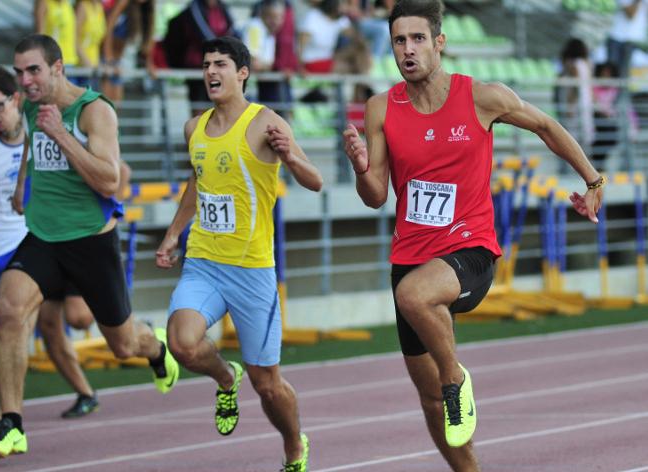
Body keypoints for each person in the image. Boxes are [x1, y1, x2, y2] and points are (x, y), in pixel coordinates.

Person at [342, 1, 604, 470]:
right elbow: (375, 196)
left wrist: (593, 180)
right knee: (428, 402)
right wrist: (361, 168)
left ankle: (454, 378)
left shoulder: (481, 97)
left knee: (416, 299)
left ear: (439, 43)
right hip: (410, 256)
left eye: (418, 39)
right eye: (400, 40)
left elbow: (545, 125)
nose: (408, 49)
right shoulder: (381, 108)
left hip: (470, 249)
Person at [0, 35, 178, 460]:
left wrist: (62, 133)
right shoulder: (31, 107)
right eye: (19, 71)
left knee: (122, 345)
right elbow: (33, 145)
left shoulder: (95, 111)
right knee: (7, 311)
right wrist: (20, 187)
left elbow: (109, 180)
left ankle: (158, 347)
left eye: (33, 70)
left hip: (91, 240)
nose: (25, 80)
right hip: (44, 236)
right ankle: (9, 423)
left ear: (57, 68)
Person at [155, 36, 322, 471]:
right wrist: (174, 233)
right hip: (204, 262)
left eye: (221, 64)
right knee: (182, 344)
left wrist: (289, 155)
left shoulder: (266, 122)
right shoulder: (194, 127)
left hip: (251, 271)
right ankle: (227, 378)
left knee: (268, 385)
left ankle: (293, 444)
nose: (211, 72)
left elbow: (315, 180)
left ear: (242, 73)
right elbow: (199, 182)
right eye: (206, 64)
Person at [0, 65, 101, 422]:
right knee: (14, 332)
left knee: (61, 321)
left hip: (39, 238)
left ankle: (31, 409)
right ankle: (9, 418)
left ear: (15, 98)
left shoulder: (37, 122)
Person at [162, 0, 237, 116]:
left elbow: (231, 31)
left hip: (220, 69)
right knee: (200, 110)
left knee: (218, 109)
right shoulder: (194, 8)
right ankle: (199, 133)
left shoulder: (223, 8)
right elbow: (203, 34)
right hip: (198, 69)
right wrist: (222, 50)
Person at [102, 0, 156, 106]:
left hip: (121, 62)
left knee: (115, 105)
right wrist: (108, 57)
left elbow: (147, 42)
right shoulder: (123, 3)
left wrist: (149, 63)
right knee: (106, 105)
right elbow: (108, 28)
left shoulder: (148, 10)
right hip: (111, 61)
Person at [605, 0, 647, 79]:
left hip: (635, 40)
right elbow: (631, 15)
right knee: (613, 73)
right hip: (617, 39)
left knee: (626, 75)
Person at [74, 0, 107, 89]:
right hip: (81, 68)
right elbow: (74, 39)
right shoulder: (83, 6)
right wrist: (87, 62)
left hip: (94, 68)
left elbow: (97, 41)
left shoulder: (99, 8)